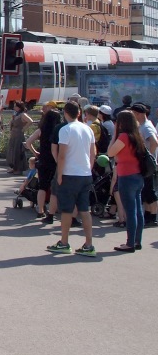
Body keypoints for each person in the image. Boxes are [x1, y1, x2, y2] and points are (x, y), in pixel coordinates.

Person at [47, 101, 97, 257]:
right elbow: (93, 153)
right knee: (84, 209)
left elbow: (62, 155)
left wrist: (60, 174)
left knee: (67, 210)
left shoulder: (66, 130)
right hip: (85, 173)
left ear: (65, 113)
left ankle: (64, 242)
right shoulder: (88, 129)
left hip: (69, 174)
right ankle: (89, 244)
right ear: (79, 113)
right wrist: (89, 169)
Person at [108, 110, 147, 252]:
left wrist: (114, 135)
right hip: (137, 175)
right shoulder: (137, 136)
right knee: (137, 210)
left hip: (126, 176)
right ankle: (137, 241)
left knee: (130, 211)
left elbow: (110, 152)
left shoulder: (123, 137)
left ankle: (130, 243)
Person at [25, 103, 62, 222]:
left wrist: (36, 153)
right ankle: (53, 211)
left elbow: (28, 142)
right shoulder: (59, 131)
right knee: (54, 188)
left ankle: (40, 211)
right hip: (55, 160)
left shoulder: (41, 130)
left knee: (42, 186)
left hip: (43, 159)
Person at [130, 102, 158, 226]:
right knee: (145, 191)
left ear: (139, 114)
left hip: (148, 165)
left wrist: (149, 157)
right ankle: (148, 214)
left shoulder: (146, 127)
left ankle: (153, 216)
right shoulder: (143, 125)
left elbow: (154, 142)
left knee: (149, 190)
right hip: (145, 164)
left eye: (133, 113)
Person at [7, 101, 33, 174]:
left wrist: (24, 128)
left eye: (15, 106)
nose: (14, 107)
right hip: (13, 134)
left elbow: (30, 121)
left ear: (19, 107)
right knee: (12, 151)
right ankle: (14, 167)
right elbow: (11, 123)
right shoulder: (15, 114)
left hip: (19, 134)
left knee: (18, 151)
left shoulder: (22, 114)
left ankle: (19, 169)